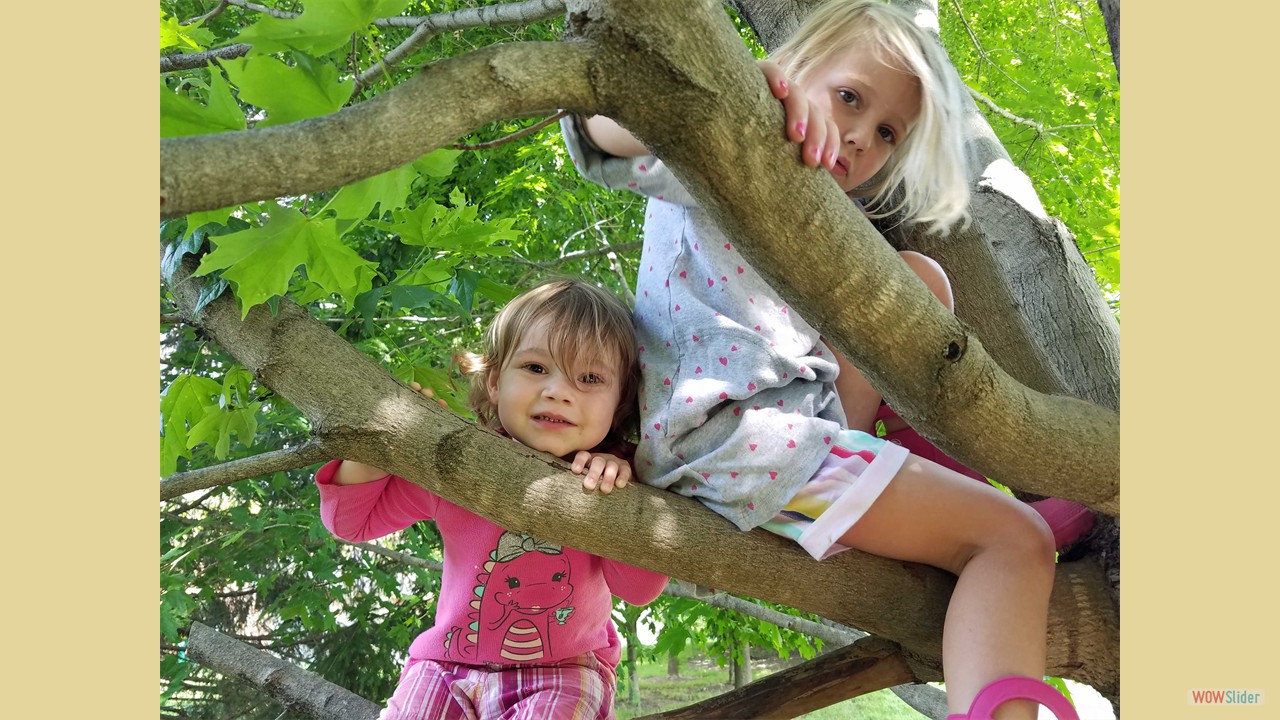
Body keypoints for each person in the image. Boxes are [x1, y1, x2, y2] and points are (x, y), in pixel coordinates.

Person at [561, 2, 1080, 718]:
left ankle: (933, 487)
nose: (862, 137)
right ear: (798, 71)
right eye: (850, 98)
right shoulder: (736, 142)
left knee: (920, 281)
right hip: (736, 438)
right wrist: (741, 88)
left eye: (887, 132)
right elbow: (603, 123)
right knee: (1013, 543)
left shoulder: (833, 224)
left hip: (775, 426)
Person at [315, 279, 669, 719]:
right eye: (537, 368)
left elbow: (638, 590)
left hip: (565, 672)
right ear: (497, 382)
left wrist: (627, 497)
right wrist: (385, 440)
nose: (558, 391)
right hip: (445, 667)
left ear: (619, 406)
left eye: (590, 378)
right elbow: (353, 522)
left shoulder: (612, 480)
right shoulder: (459, 463)